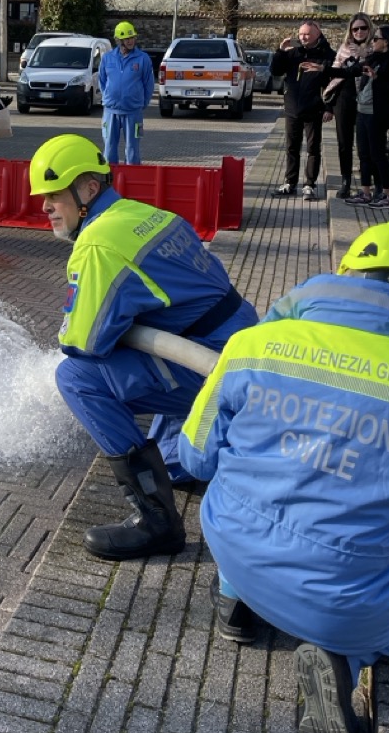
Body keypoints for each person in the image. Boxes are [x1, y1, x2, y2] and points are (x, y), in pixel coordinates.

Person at [179, 223, 389, 733]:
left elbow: (194, 458)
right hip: (352, 605)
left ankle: (234, 598)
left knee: (248, 501)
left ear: (346, 275)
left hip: (232, 546)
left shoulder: (253, 344)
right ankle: (346, 655)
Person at [28, 134, 256, 561]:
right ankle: (186, 461)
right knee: (169, 462)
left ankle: (157, 523)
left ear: (88, 190)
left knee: (76, 378)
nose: (45, 207)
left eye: (54, 196)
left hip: (214, 369)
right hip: (236, 347)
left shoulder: (96, 245)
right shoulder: (145, 214)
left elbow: (83, 343)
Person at [271, 20, 335, 200]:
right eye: (300, 34)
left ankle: (309, 184)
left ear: (317, 34)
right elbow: (275, 71)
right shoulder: (293, 54)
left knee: (313, 148)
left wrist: (329, 107)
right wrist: (280, 51)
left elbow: (332, 84)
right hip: (292, 108)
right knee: (292, 147)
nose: (303, 37)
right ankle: (290, 182)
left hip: (314, 109)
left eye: (307, 34)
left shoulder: (327, 55)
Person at [343, 24, 389, 209]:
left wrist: (378, 77)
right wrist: (323, 69)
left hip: (377, 113)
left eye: (376, 39)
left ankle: (387, 194)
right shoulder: (372, 58)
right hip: (362, 110)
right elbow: (350, 71)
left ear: (386, 42)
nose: (372, 42)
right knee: (363, 153)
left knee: (377, 153)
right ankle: (365, 191)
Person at [322, 12, 373, 199]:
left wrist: (363, 56)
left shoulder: (375, 47)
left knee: (365, 144)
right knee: (344, 143)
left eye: (363, 28)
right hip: (344, 98)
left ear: (369, 28)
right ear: (350, 31)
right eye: (355, 29)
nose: (359, 32)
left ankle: (369, 184)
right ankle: (346, 182)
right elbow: (335, 75)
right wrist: (329, 106)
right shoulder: (344, 48)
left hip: (366, 100)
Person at [98, 22, 154, 166]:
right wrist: (109, 98)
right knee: (109, 149)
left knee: (132, 149)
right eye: (127, 38)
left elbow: (149, 84)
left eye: (133, 37)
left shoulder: (143, 59)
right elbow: (102, 80)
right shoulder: (107, 58)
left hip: (133, 111)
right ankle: (110, 180)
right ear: (119, 40)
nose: (131, 41)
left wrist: (141, 103)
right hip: (111, 111)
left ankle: (133, 181)